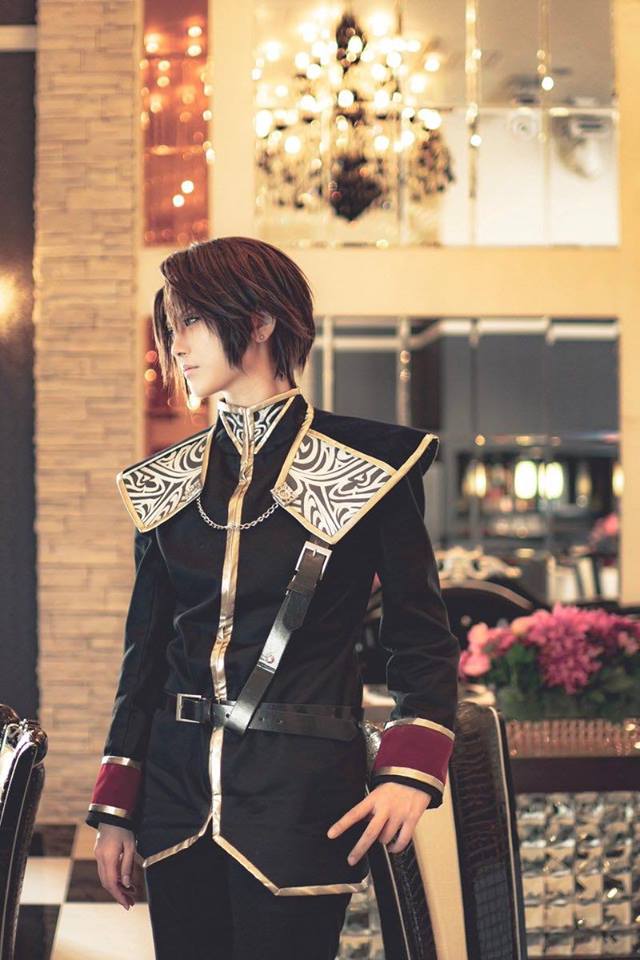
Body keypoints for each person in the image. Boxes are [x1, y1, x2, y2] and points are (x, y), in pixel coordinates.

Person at [85, 236, 460, 960]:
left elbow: (421, 639)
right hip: (176, 802)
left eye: (191, 322)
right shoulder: (168, 483)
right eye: (170, 326)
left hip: (302, 803)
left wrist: (408, 774)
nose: (174, 346)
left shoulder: (368, 467)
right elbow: (146, 657)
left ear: (258, 322)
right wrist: (118, 806)